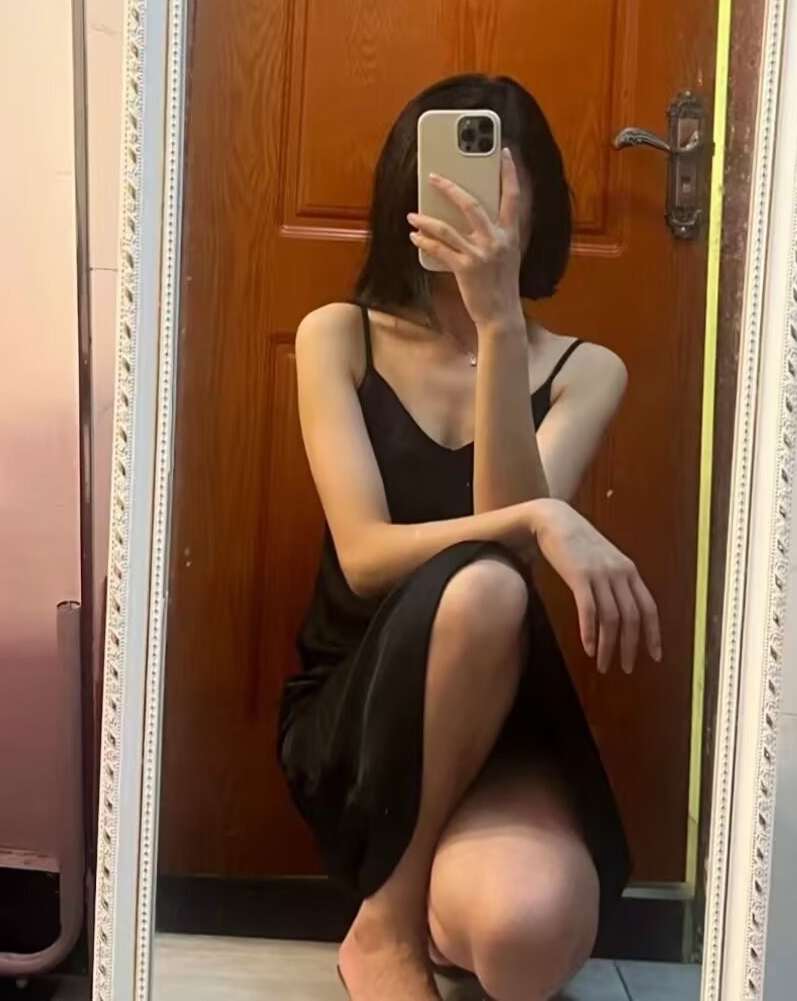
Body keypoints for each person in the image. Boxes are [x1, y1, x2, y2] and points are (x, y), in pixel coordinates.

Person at [277, 74, 662, 1001]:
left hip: (501, 715)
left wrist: (498, 325)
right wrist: (541, 514)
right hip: (362, 709)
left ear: (540, 209)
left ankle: (440, 901)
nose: (479, 210)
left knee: (528, 940)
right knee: (485, 586)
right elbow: (366, 558)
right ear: (410, 194)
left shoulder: (585, 371)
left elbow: (509, 542)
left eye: (501, 188)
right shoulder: (340, 337)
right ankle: (387, 924)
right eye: (457, 182)